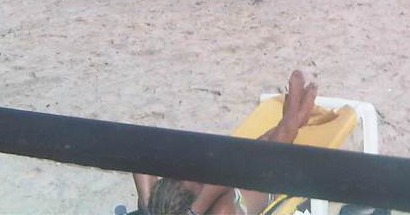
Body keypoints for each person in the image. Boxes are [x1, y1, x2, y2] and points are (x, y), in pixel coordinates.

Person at [134, 70, 318, 215]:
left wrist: (147, 200)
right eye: (190, 179)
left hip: (240, 173)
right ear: (195, 200)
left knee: (264, 141)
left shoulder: (158, 207)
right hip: (266, 183)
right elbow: (220, 179)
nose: (191, 172)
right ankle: (296, 108)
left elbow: (139, 152)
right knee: (280, 139)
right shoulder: (221, 210)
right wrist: (196, 210)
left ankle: (297, 117)